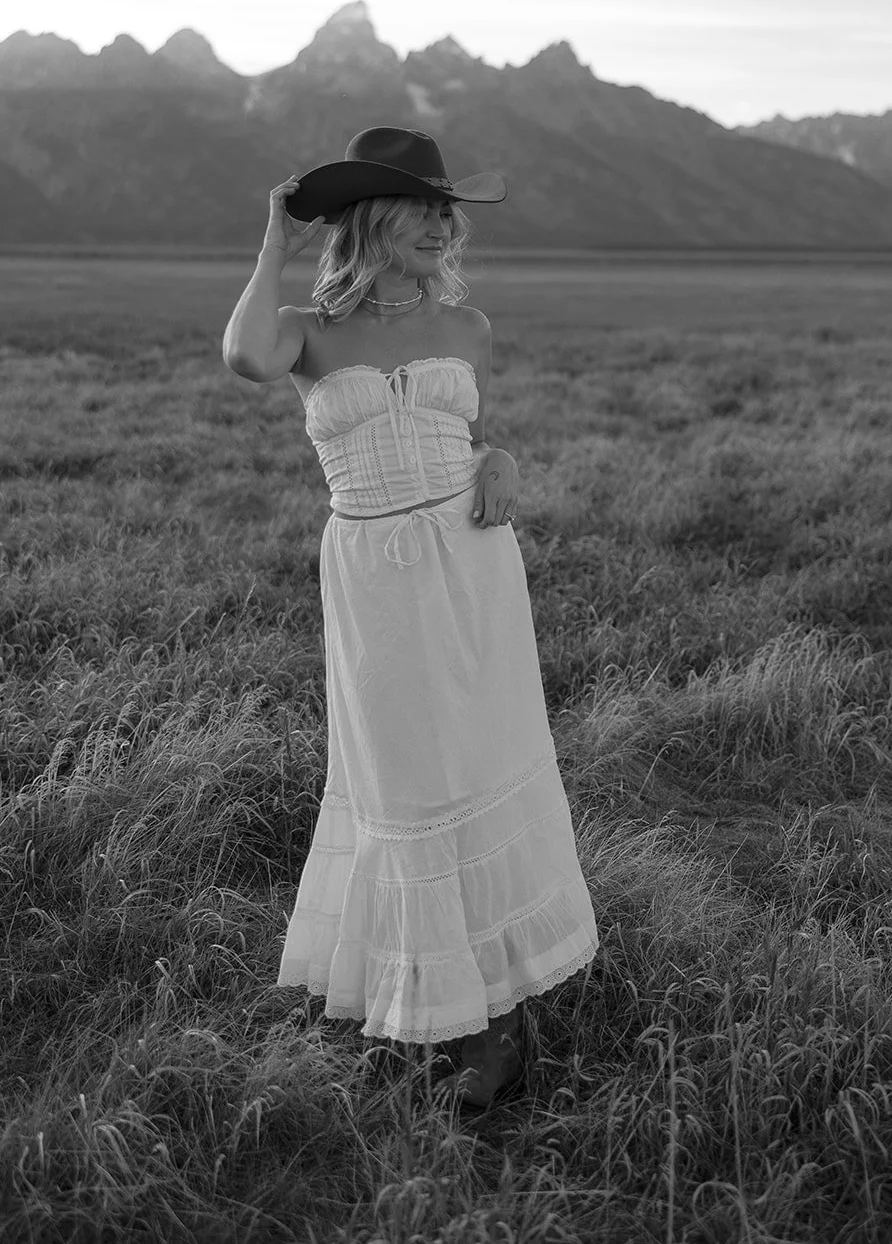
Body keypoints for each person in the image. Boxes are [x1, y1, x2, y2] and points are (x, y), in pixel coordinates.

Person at [222, 127, 599, 1113]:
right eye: (422, 208)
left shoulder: (466, 326)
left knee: (476, 759)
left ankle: (494, 1012)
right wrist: (275, 234)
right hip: (371, 574)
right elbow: (242, 356)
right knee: (404, 778)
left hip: (471, 566)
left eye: (447, 210)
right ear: (370, 222)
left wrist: (500, 462)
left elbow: (470, 433)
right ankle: (437, 999)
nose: (443, 224)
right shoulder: (308, 330)